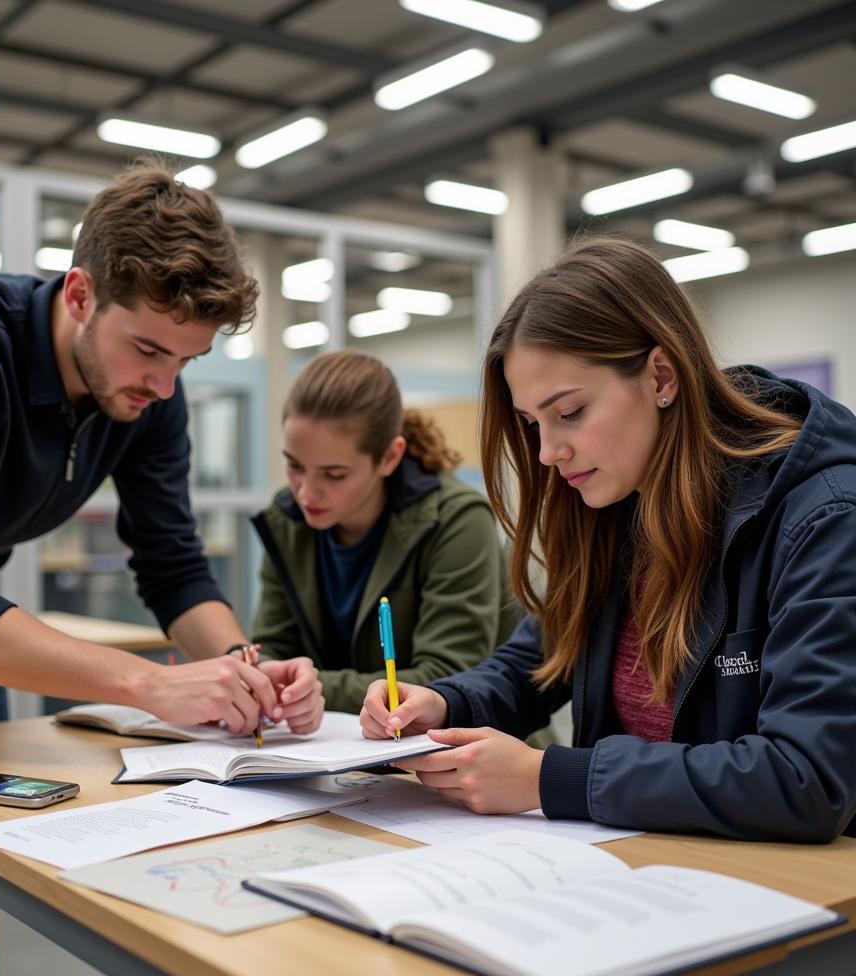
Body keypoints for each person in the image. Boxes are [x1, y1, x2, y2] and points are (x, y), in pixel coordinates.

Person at [0, 157, 322, 976]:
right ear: (81, 294)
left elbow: (172, 564)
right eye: (149, 351)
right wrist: (149, 682)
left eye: (187, 361)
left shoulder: (148, 395)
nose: (165, 387)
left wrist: (249, 669)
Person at [361, 237, 856, 843]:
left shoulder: (823, 515)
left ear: (662, 377)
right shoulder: (618, 500)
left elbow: (805, 777)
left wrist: (551, 777)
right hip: (629, 868)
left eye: (569, 412)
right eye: (533, 424)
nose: (547, 453)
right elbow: (540, 662)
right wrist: (443, 705)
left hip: (784, 892)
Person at [251, 349, 516, 713]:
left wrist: (308, 688)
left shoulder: (458, 521)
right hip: (336, 749)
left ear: (390, 457)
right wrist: (257, 677)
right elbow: (271, 649)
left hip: (466, 750)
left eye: (334, 474)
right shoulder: (286, 519)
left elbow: (449, 678)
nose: (305, 492)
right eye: (295, 466)